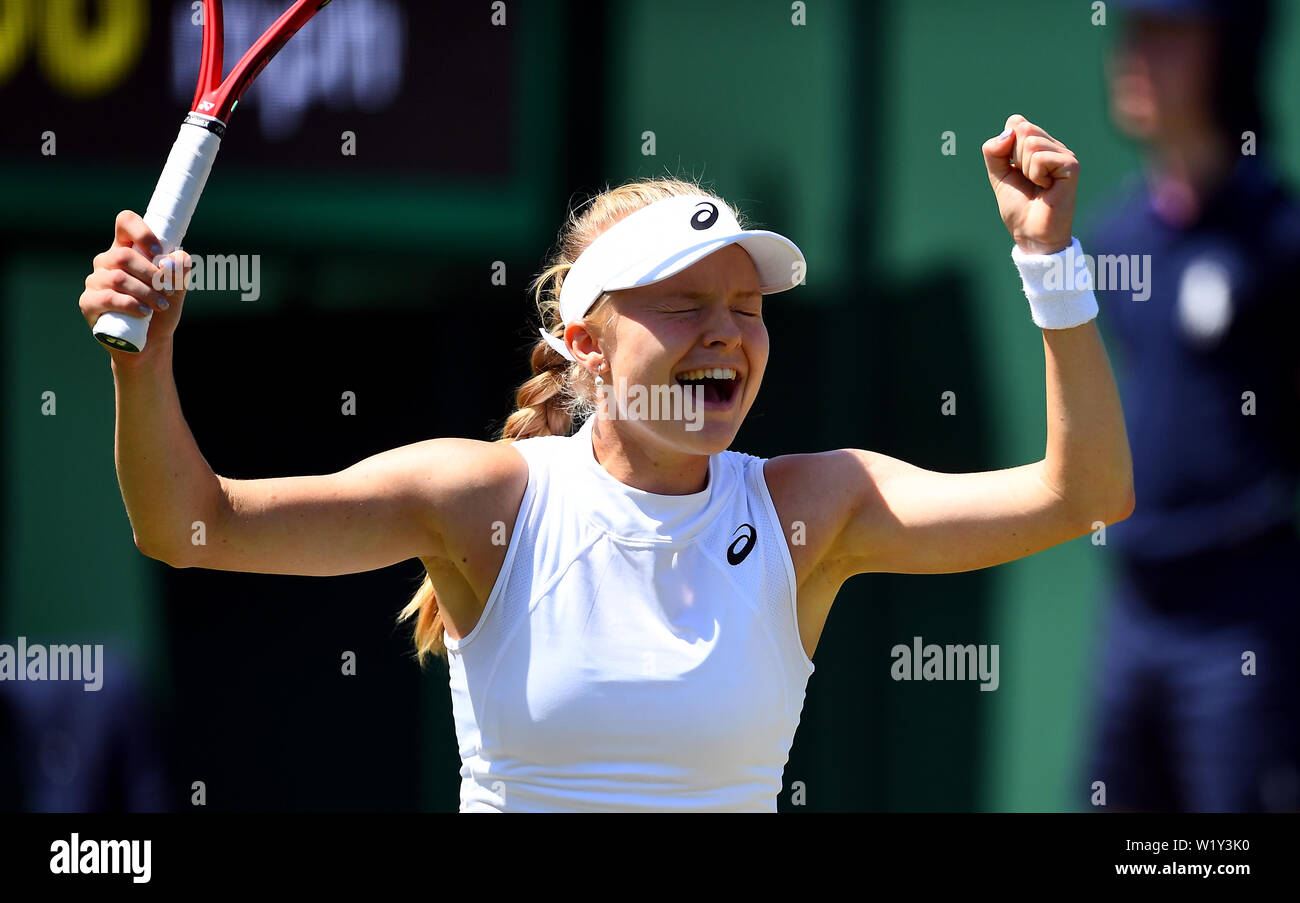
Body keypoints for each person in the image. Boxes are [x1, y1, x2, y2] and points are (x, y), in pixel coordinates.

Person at [79, 114, 1133, 812]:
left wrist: (1049, 263)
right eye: (683, 305)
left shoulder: (814, 509)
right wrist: (146, 361)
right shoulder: (481, 500)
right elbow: (189, 527)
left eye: (747, 308)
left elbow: (1082, 494)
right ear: (585, 341)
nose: (726, 333)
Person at [1082, 0, 1300, 811]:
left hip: (1245, 616)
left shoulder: (1278, 237)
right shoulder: (1114, 236)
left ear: (1230, 56)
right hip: (1134, 606)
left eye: (1168, 36)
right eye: (1132, 33)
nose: (1136, 57)